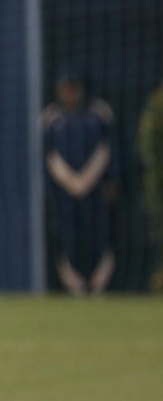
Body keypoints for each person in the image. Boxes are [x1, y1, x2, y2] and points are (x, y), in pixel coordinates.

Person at [42, 70, 116, 295]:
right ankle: (73, 285)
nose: (70, 92)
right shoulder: (52, 118)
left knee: (98, 234)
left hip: (96, 192)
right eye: (66, 87)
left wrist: (110, 180)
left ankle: (100, 283)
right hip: (64, 193)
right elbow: (47, 157)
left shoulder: (99, 114)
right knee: (67, 238)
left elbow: (110, 150)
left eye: (74, 87)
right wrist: (60, 184)